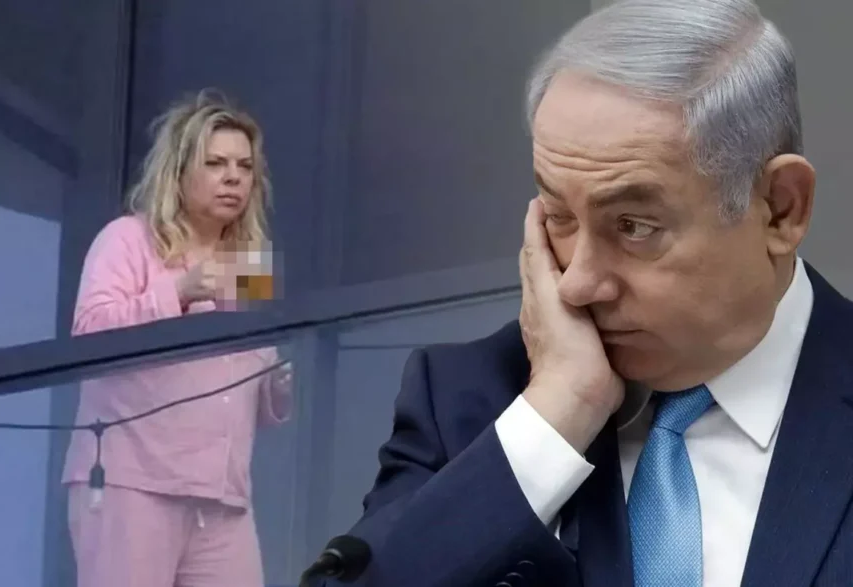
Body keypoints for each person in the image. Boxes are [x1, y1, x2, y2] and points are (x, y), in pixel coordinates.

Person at [322, 1, 853, 586]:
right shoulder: (469, 400)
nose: (577, 283)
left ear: (780, 208)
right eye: (558, 216)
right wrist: (559, 411)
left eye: (633, 226)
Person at [61, 90, 293, 587]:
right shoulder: (128, 237)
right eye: (215, 163)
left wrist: (277, 383)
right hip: (133, 483)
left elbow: (251, 388)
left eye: (245, 166)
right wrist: (177, 293)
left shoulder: (251, 263)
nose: (233, 177)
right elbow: (88, 335)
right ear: (179, 170)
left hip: (224, 495)